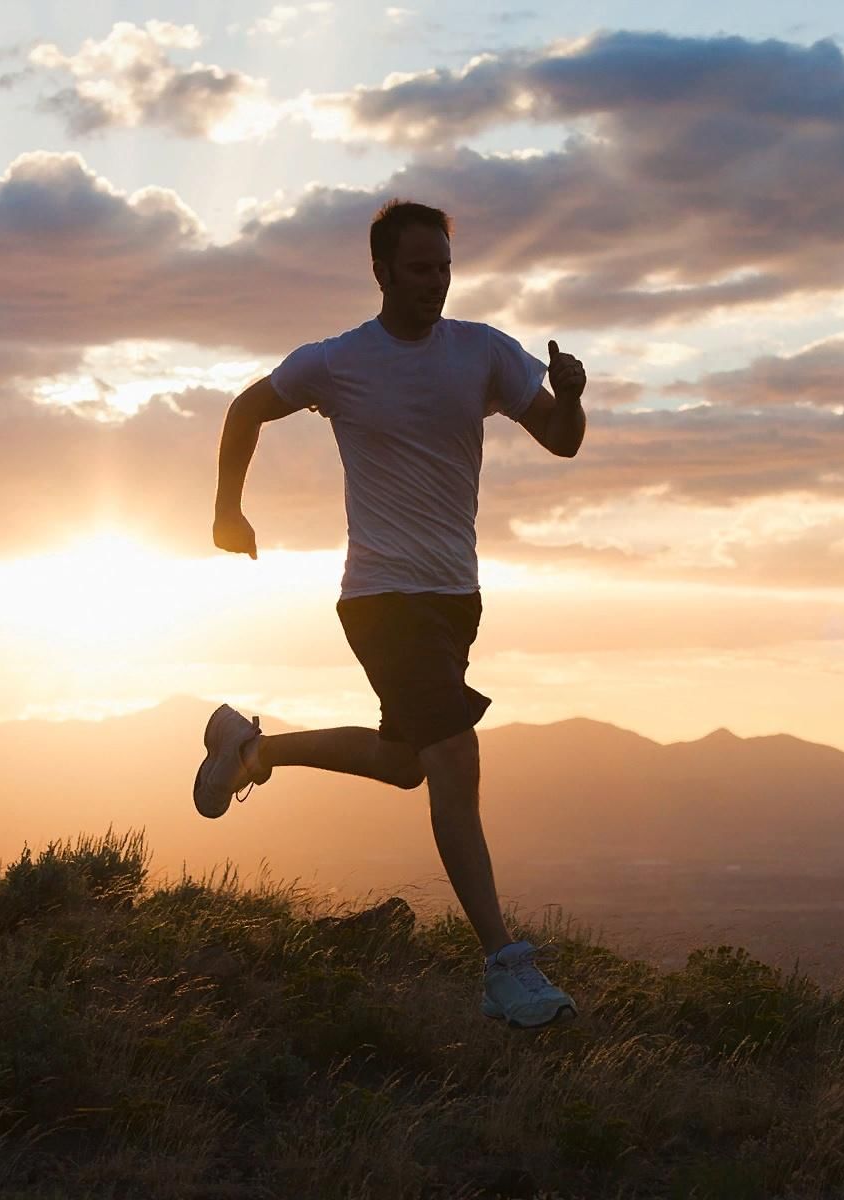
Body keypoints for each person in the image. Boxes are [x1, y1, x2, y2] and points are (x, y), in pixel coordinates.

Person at [196, 198, 586, 1029]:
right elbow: (243, 410)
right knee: (454, 758)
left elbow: (559, 438)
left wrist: (574, 396)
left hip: (455, 599)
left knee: (406, 762)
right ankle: (504, 967)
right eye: (418, 269)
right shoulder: (338, 363)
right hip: (380, 595)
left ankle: (253, 747)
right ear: (380, 272)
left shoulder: (482, 352)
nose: (435, 284)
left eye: (444, 268)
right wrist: (228, 511)